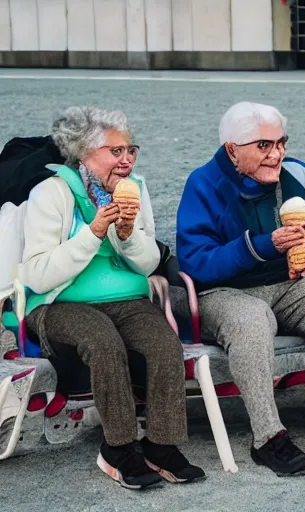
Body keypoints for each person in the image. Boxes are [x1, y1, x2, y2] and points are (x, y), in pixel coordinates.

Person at [176, 101, 305, 477]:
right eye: (264, 146)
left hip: (287, 284)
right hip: (223, 292)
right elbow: (195, 264)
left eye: (281, 142)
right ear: (232, 150)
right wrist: (260, 246)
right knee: (252, 320)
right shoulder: (203, 184)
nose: (277, 154)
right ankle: (268, 437)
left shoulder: (295, 174)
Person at [20, 107, 205, 489]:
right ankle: (118, 449)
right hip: (58, 304)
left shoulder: (136, 188)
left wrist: (125, 232)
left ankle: (161, 446)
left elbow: (148, 263)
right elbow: (37, 274)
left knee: (163, 345)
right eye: (115, 151)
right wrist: (94, 232)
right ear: (83, 153)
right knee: (102, 340)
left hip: (127, 298)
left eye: (130, 150)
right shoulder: (51, 193)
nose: (126, 160)